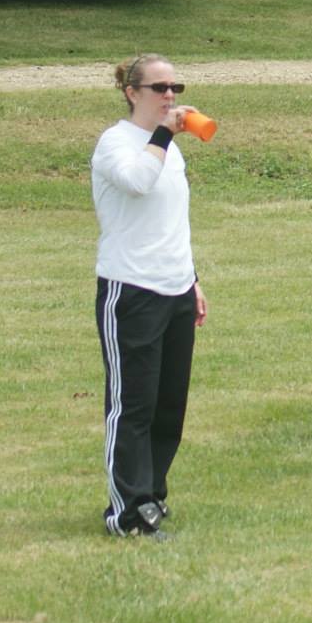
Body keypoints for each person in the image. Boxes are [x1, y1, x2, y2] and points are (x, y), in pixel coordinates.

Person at [90, 53, 208, 539]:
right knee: (133, 404)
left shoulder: (169, 148)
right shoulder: (115, 143)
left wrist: (192, 279)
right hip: (131, 289)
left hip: (174, 288)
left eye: (175, 87)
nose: (170, 96)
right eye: (159, 88)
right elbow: (138, 182)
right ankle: (127, 512)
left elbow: (171, 221)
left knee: (168, 405)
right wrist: (164, 134)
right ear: (131, 93)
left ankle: (152, 495)